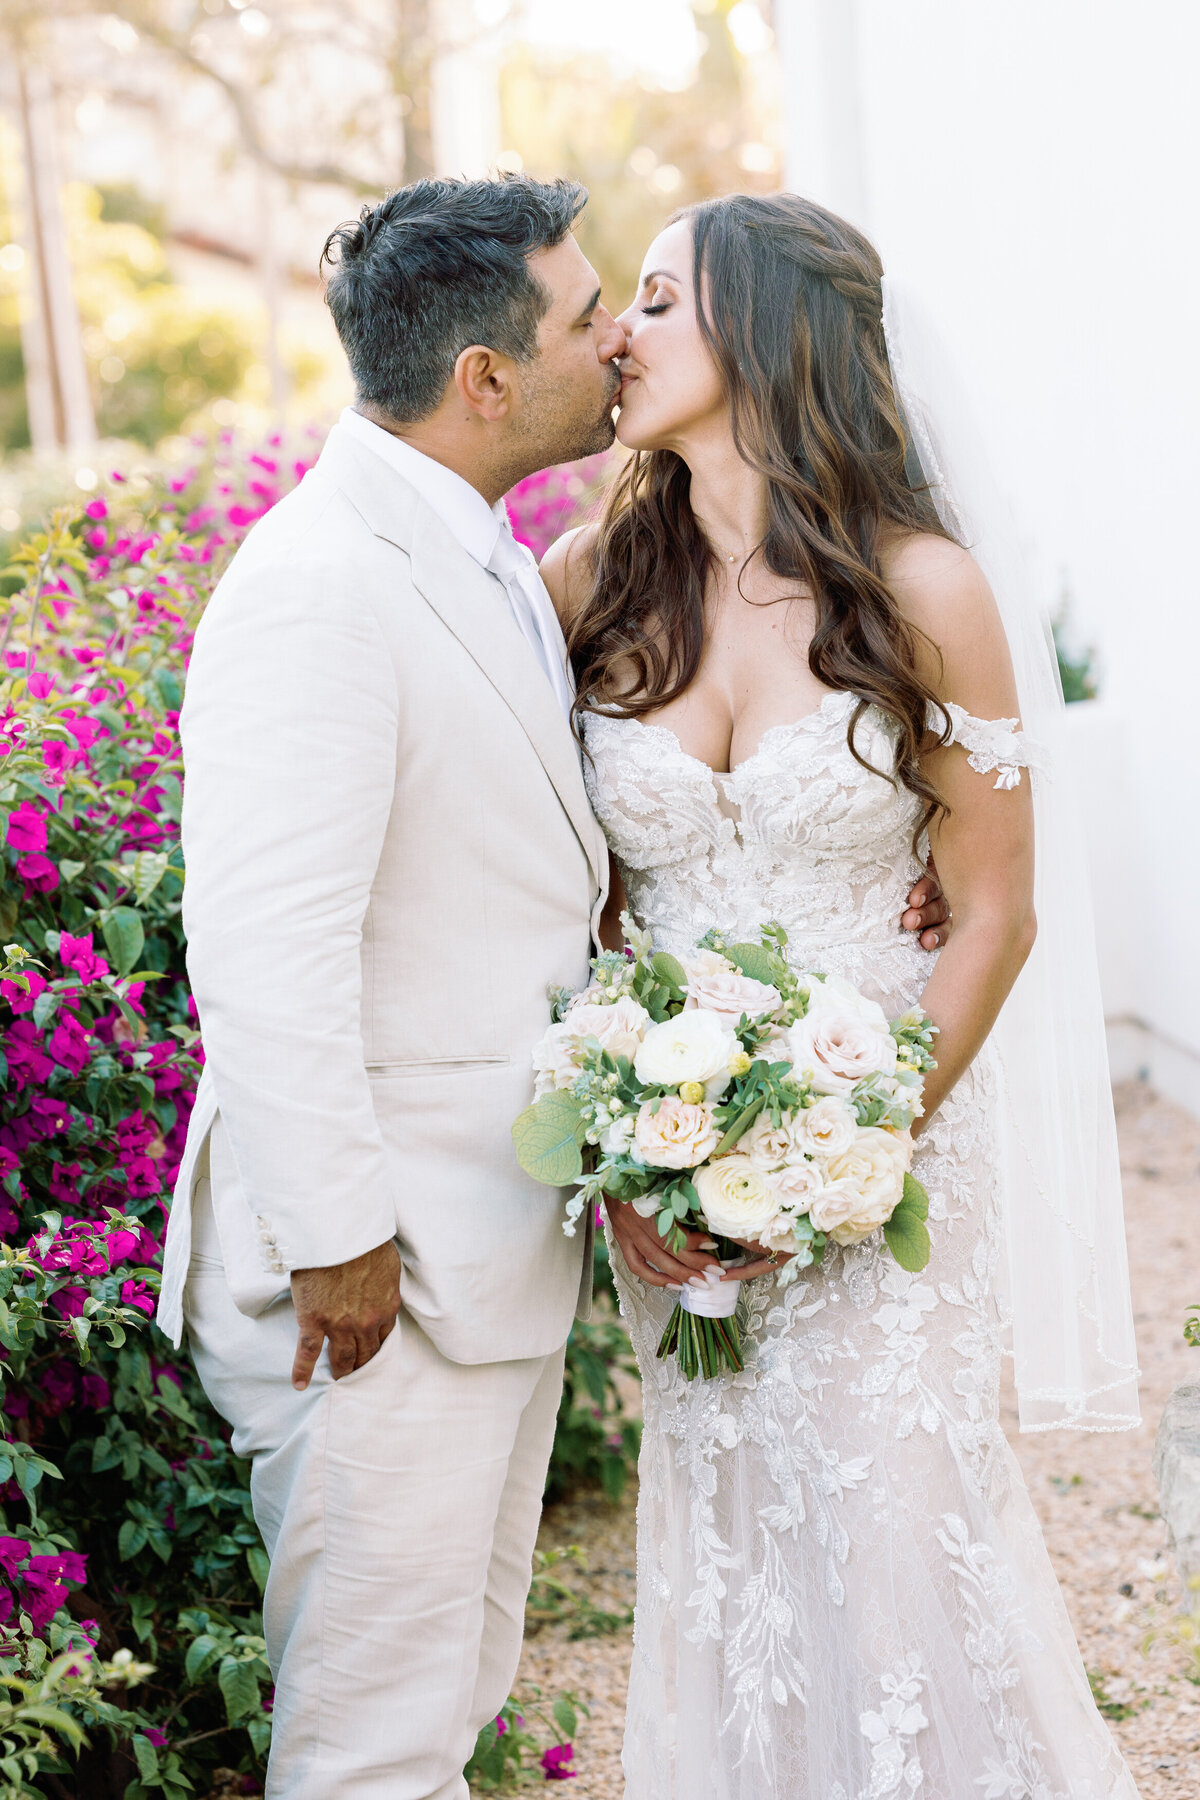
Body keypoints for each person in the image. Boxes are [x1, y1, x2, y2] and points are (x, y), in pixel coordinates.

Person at [156, 175, 950, 1799]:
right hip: (376, 1291)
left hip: (478, 1266)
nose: (616, 339)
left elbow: (554, 866)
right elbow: (261, 951)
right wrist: (339, 1244)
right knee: (370, 1755)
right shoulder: (320, 587)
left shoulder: (508, 563)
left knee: (433, 1728)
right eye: (589, 314)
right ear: (486, 379)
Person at [542, 192, 1140, 1798]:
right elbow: (576, 913)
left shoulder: (921, 588)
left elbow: (994, 911)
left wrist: (850, 1149)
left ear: (765, 331)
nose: (618, 330)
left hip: (887, 1153)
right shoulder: (586, 580)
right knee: (731, 1544)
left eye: (658, 301)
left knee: (896, 1533)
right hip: (675, 1168)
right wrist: (630, 1167)